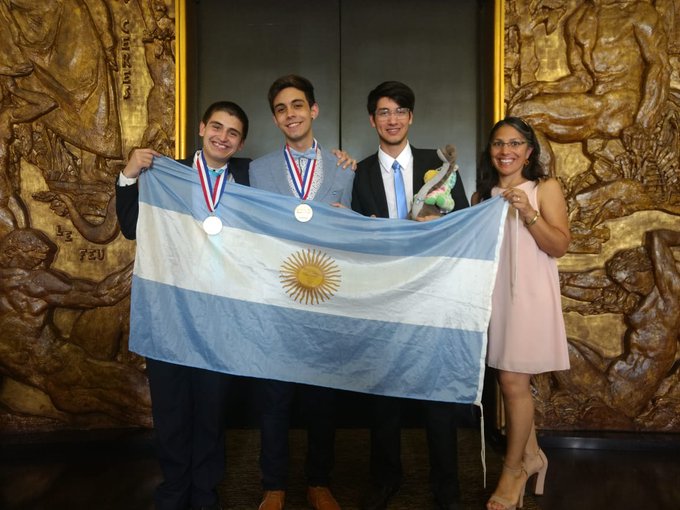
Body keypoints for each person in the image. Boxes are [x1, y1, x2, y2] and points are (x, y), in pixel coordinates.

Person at [116, 101, 251, 510]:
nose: (222, 137)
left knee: (210, 410)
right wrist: (128, 174)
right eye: (217, 127)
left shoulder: (248, 179)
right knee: (172, 409)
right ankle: (174, 489)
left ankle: (205, 490)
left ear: (240, 142)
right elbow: (128, 227)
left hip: (220, 317)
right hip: (169, 314)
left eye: (232, 133)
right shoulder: (165, 173)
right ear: (201, 128)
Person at [351, 81, 470, 510]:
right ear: (372, 120)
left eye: (400, 111)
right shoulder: (358, 172)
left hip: (435, 292)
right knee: (384, 393)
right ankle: (385, 478)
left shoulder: (438, 166)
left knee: (438, 394)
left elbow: (460, 225)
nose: (393, 119)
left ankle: (447, 487)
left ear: (411, 117)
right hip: (383, 294)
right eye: (384, 112)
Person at [249, 74, 354, 510]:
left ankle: (318, 481)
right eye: (280, 109)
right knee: (274, 396)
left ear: (313, 110)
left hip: (327, 296)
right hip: (278, 296)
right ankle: (274, 484)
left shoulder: (345, 167)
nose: (290, 114)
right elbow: (257, 231)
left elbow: (355, 229)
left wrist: (344, 215)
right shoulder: (258, 169)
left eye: (297, 105)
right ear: (275, 119)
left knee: (321, 398)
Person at [471, 117, 570, 510]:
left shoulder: (544, 188)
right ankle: (533, 456)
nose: (505, 151)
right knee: (505, 380)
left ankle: (513, 471)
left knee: (513, 381)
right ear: (490, 151)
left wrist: (529, 213)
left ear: (529, 151)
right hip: (493, 299)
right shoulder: (483, 196)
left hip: (529, 296)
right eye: (498, 143)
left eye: (514, 143)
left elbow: (559, 245)